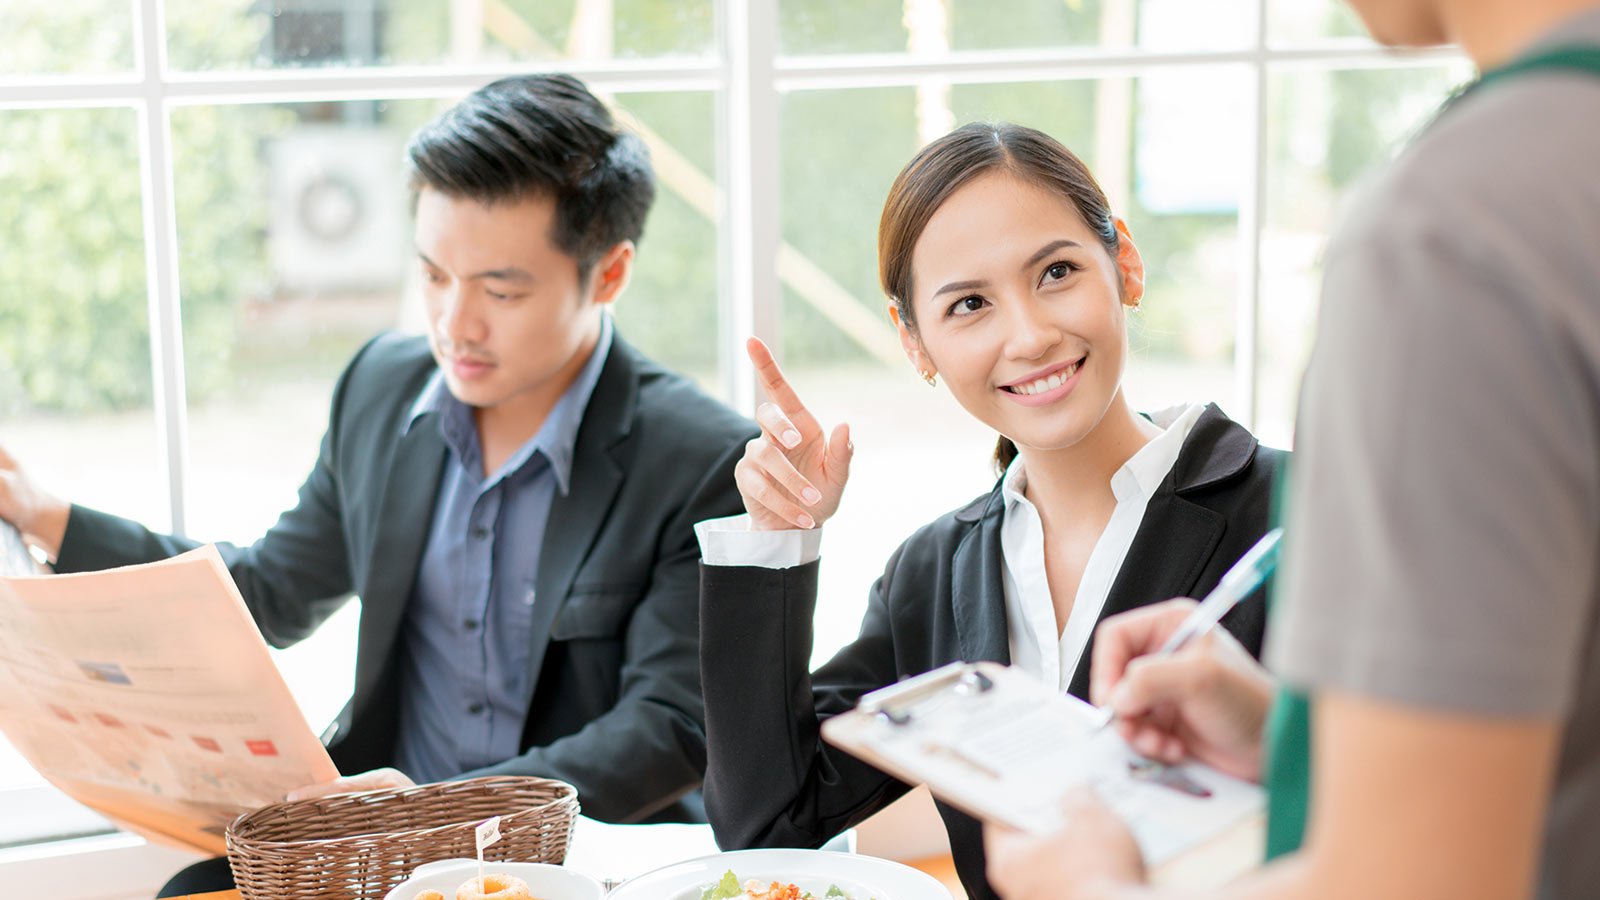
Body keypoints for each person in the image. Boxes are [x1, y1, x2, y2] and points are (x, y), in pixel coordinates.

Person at [0, 73, 754, 896]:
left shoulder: (702, 458)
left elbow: (666, 729)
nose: (455, 324)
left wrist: (441, 812)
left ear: (608, 275)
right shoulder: (381, 387)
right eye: (433, 275)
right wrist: (50, 518)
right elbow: (275, 589)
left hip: (578, 859)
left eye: (501, 290)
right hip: (382, 855)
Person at [981, 1, 1600, 898]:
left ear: (1126, 267)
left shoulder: (1454, 233)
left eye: (1058, 271)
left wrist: (1096, 893)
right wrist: (1295, 747)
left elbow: (1427, 883)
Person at [694, 122, 1285, 900]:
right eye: (970, 303)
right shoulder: (932, 573)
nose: (1031, 335)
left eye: (1057, 272)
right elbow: (770, 823)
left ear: (1126, 264)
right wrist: (779, 542)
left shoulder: (1298, 512)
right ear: (915, 344)